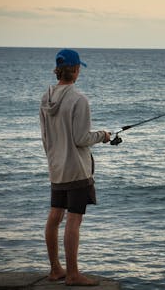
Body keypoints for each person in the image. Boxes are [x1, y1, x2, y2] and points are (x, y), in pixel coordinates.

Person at [39, 49, 111, 286]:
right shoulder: (79, 99)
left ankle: (55, 270)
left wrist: (53, 159)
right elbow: (81, 138)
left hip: (56, 167)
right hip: (77, 170)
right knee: (73, 220)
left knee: (54, 216)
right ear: (76, 70)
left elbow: (45, 137)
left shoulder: (46, 97)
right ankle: (72, 275)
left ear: (58, 70)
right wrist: (103, 136)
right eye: (79, 68)